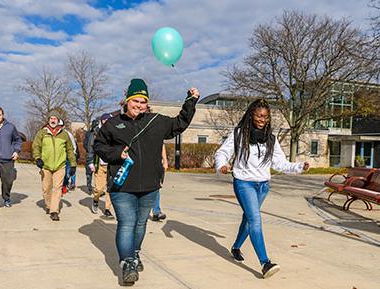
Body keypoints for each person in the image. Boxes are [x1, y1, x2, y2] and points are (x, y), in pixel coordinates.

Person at [94, 78, 200, 285]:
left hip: (150, 185)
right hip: (122, 186)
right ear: (127, 101)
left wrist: (190, 101)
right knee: (126, 223)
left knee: (141, 223)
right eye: (136, 101)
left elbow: (179, 124)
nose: (139, 106)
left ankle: (134, 253)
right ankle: (127, 263)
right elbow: (98, 146)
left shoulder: (155, 121)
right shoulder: (113, 124)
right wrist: (117, 153)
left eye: (143, 102)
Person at [214, 99, 310, 279]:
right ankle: (265, 263)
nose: (262, 119)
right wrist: (222, 165)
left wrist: (298, 167)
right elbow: (222, 153)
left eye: (265, 117)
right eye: (259, 115)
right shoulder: (239, 134)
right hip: (244, 183)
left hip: (263, 185)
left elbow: (280, 163)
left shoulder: (270, 138)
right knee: (255, 220)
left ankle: (235, 247)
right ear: (251, 114)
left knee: (249, 219)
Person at [32, 110, 77, 221]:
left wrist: (73, 164)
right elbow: (36, 146)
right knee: (46, 189)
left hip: (60, 166)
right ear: (48, 120)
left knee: (57, 188)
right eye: (51, 118)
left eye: (55, 118)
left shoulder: (64, 134)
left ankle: (54, 211)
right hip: (45, 166)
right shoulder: (42, 132)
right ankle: (48, 205)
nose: (53, 120)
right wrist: (37, 158)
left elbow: (70, 150)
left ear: (58, 120)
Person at [0, 106, 22, 213]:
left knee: (8, 181)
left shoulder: (10, 127)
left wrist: (16, 151)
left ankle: (6, 197)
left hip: (8, 159)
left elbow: (17, 140)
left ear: (3, 115)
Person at [87, 113, 114, 218]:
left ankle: (107, 209)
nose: (107, 122)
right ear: (102, 121)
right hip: (100, 164)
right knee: (99, 188)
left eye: (109, 120)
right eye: (105, 120)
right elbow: (90, 149)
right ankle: (95, 199)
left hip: (111, 165)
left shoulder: (114, 132)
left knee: (110, 188)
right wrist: (90, 162)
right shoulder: (95, 133)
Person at [151, 143, 168, 221]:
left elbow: (161, 144)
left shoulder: (156, 131)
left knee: (156, 187)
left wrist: (165, 160)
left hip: (155, 164)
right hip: (140, 163)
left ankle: (156, 212)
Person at [83, 119, 99, 194]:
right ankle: (89, 186)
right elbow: (85, 144)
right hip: (90, 154)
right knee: (89, 172)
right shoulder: (89, 133)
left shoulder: (99, 132)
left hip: (97, 155)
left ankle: (95, 187)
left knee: (96, 172)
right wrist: (89, 150)